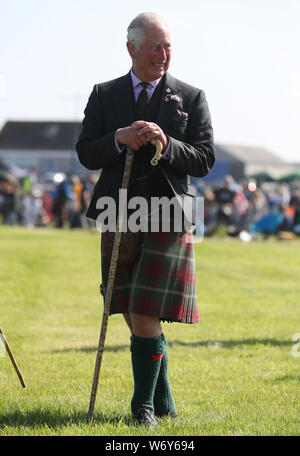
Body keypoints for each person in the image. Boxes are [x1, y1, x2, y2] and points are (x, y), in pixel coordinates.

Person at [76, 12, 215, 427]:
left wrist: (167, 143)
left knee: (144, 306)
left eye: (168, 46)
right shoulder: (105, 94)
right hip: (119, 212)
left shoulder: (190, 96)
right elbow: (86, 152)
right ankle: (165, 403)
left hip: (169, 213)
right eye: (156, 46)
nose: (164, 54)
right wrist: (119, 138)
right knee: (136, 310)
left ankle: (144, 410)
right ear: (132, 48)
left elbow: (205, 158)